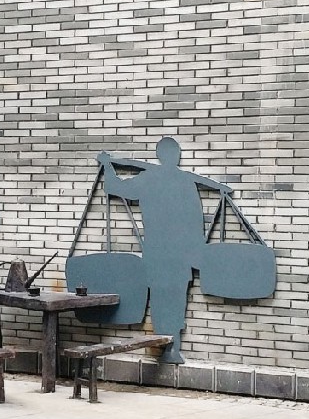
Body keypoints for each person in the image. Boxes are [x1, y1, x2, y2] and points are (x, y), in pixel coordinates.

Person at [97, 137, 229, 363]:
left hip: (157, 253)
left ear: (159, 156)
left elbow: (115, 187)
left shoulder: (149, 179)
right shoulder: (186, 182)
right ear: (177, 156)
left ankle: (165, 345)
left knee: (159, 299)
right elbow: (196, 221)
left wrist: (107, 166)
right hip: (181, 256)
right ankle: (172, 347)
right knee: (177, 299)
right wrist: (197, 256)